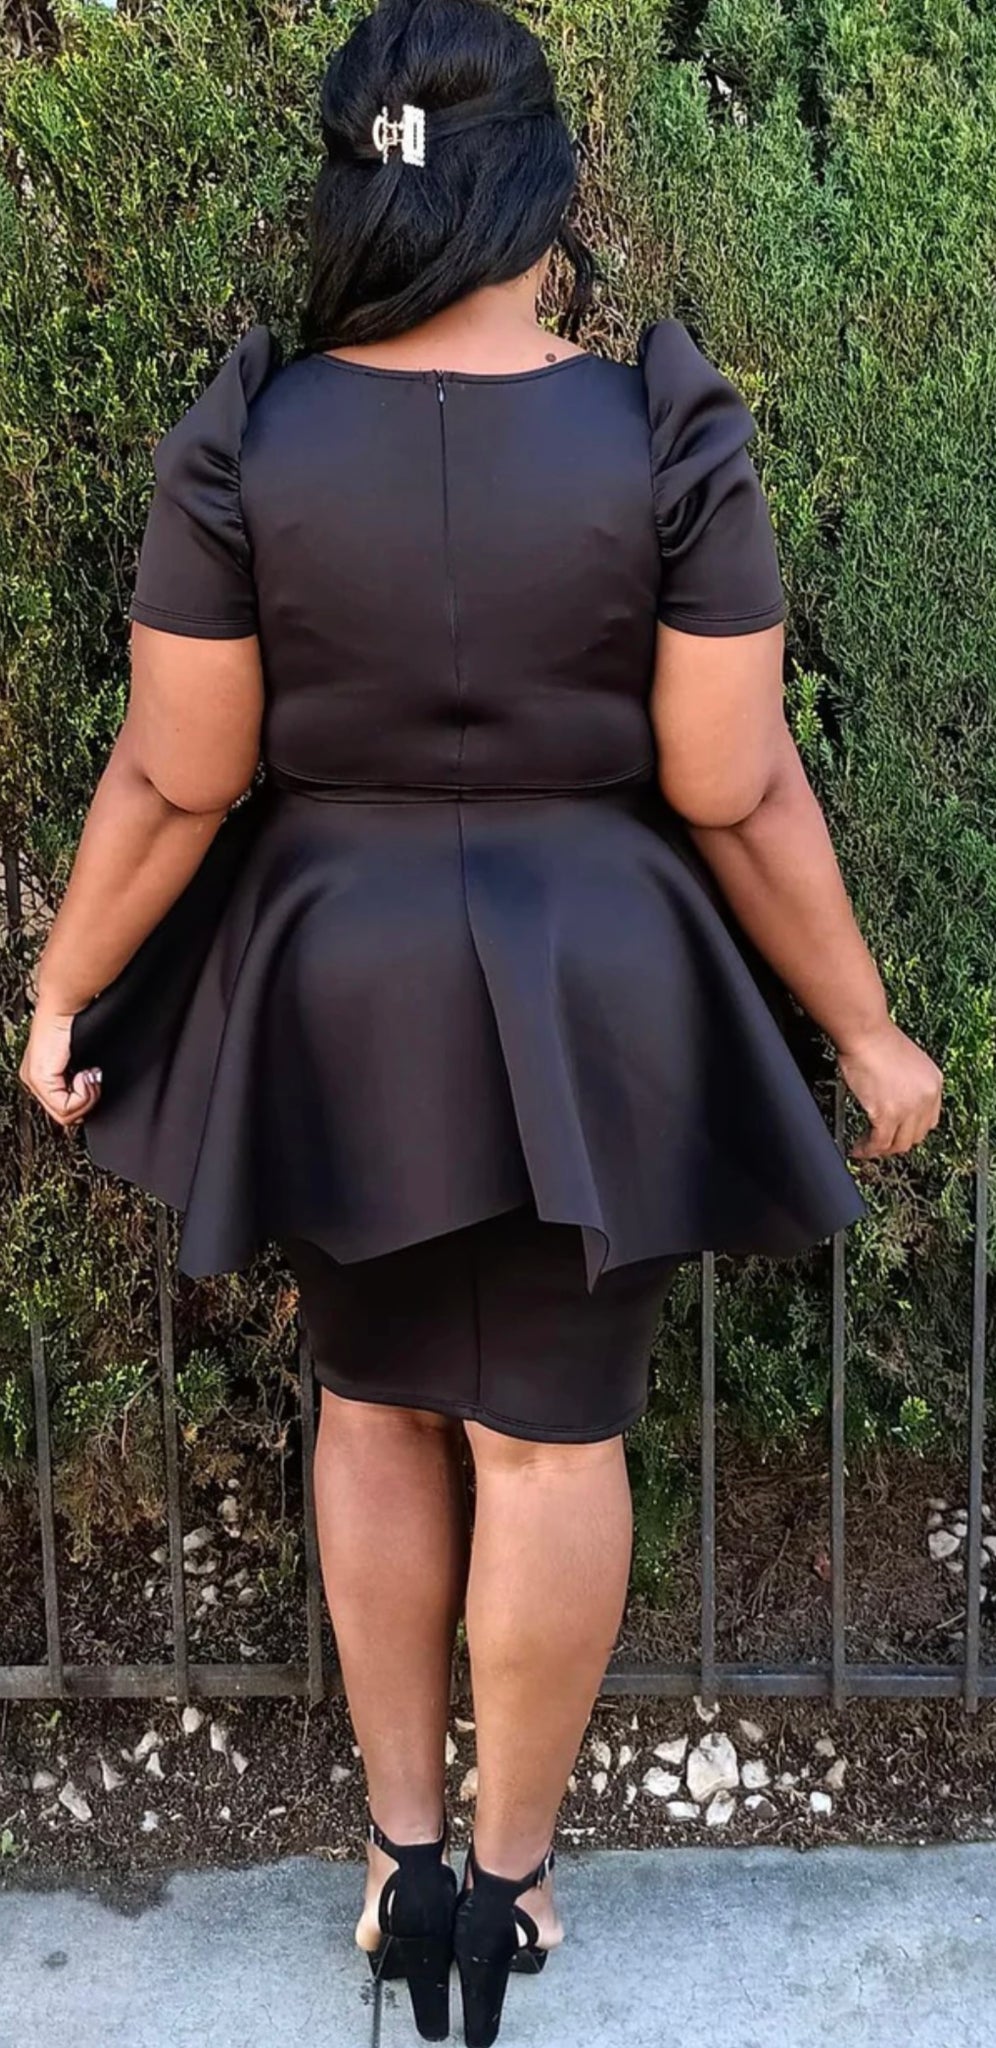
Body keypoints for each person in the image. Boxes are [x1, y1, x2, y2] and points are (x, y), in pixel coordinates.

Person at [20, 1, 942, 2041]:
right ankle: (508, 1894)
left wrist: (68, 984)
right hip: (592, 988)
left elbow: (178, 775)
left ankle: (399, 1859)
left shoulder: (250, 436)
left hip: (337, 988)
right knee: (548, 1437)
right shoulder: (662, 432)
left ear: (351, 188)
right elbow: (734, 785)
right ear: (548, 190)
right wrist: (867, 1027)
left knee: (371, 1403)